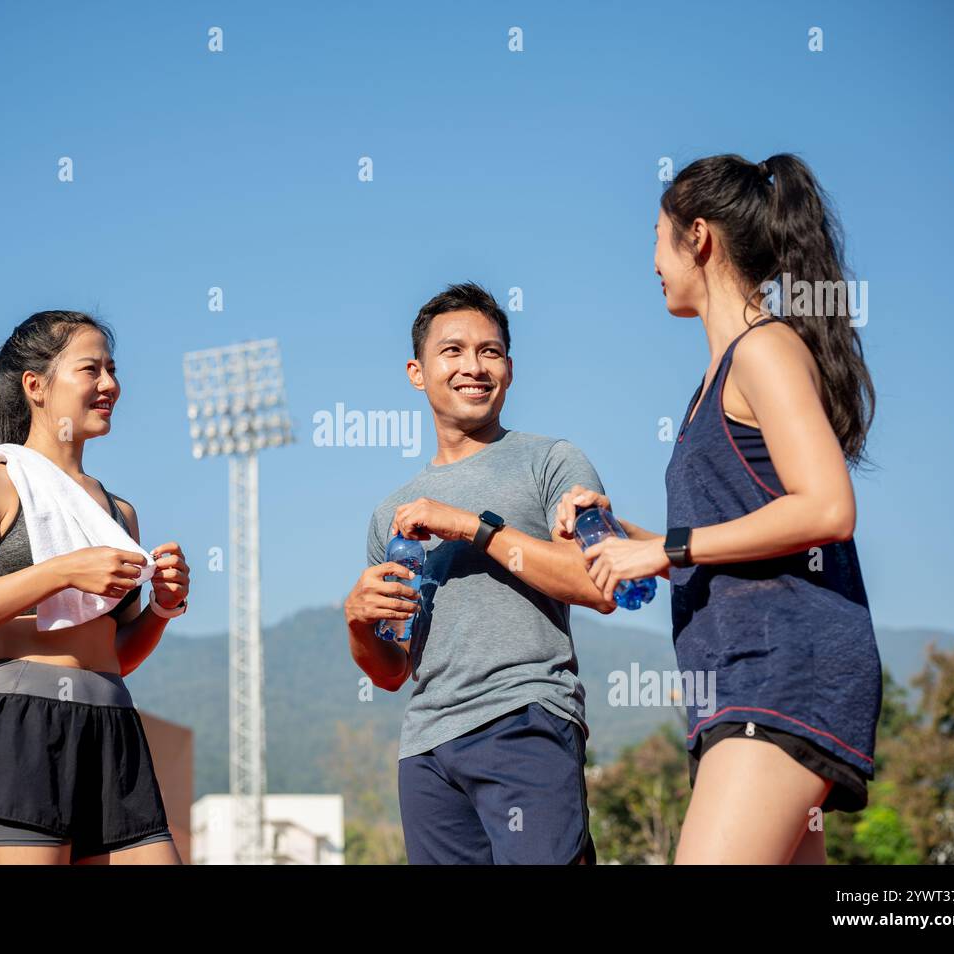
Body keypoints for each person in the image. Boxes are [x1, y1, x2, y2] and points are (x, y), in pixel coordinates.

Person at [553, 154, 882, 864]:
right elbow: (737, 528)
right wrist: (624, 536)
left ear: (698, 237)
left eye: (656, 237)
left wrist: (666, 549)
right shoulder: (714, 378)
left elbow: (827, 508)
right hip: (744, 680)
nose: (652, 261)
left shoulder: (765, 350)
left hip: (784, 675)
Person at [344, 282, 615, 864]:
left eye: (489, 352)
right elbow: (392, 672)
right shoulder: (390, 512)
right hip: (427, 750)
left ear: (511, 370)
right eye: (454, 351)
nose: (474, 366)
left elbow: (597, 584)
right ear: (417, 372)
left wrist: (472, 527)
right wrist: (357, 621)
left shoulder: (551, 461)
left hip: (525, 719)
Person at [0, 310, 191, 865]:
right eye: (92, 369)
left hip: (114, 725)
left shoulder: (121, 513)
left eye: (112, 369)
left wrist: (162, 607)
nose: (110, 384)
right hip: (23, 726)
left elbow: (117, 656)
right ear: (35, 386)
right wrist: (61, 571)